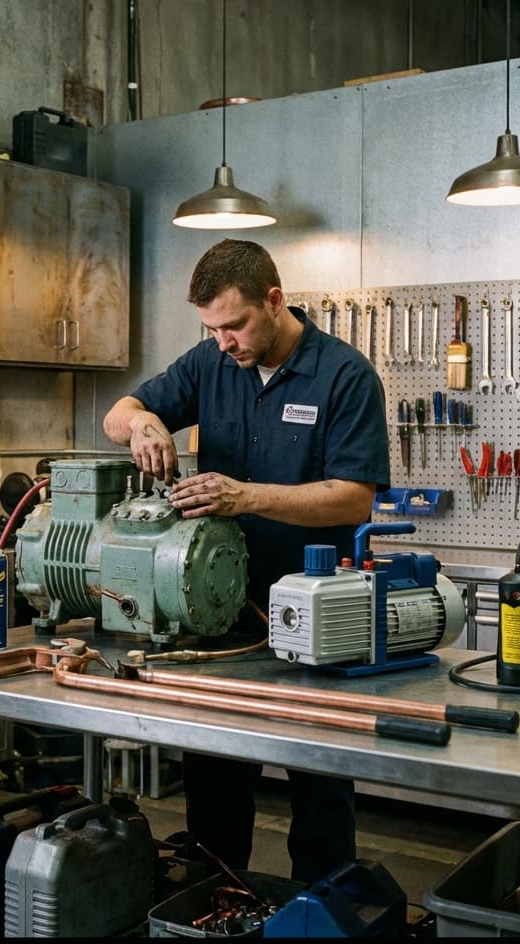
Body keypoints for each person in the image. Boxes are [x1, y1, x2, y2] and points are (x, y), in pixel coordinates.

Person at [102, 238, 391, 884]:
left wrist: (245, 496)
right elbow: (117, 414)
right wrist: (145, 423)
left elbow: (356, 496)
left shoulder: (344, 376)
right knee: (215, 807)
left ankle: (319, 918)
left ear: (276, 300)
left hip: (318, 630)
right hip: (222, 629)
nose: (224, 342)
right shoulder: (211, 365)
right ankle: (215, 913)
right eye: (211, 329)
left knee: (320, 810)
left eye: (234, 325)